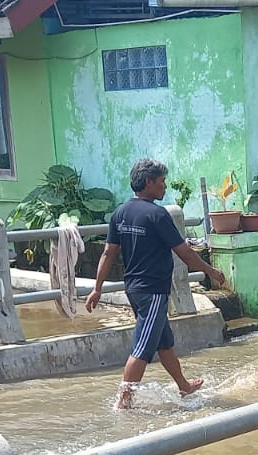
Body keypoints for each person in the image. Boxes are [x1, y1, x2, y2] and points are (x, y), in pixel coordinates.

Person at [87, 158, 225, 409]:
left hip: (135, 288)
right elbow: (184, 252)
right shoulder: (157, 214)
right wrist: (210, 271)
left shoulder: (120, 213)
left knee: (163, 341)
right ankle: (124, 403)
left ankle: (183, 386)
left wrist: (97, 288)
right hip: (153, 291)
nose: (164, 187)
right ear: (148, 182)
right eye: (161, 182)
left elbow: (108, 253)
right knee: (142, 347)